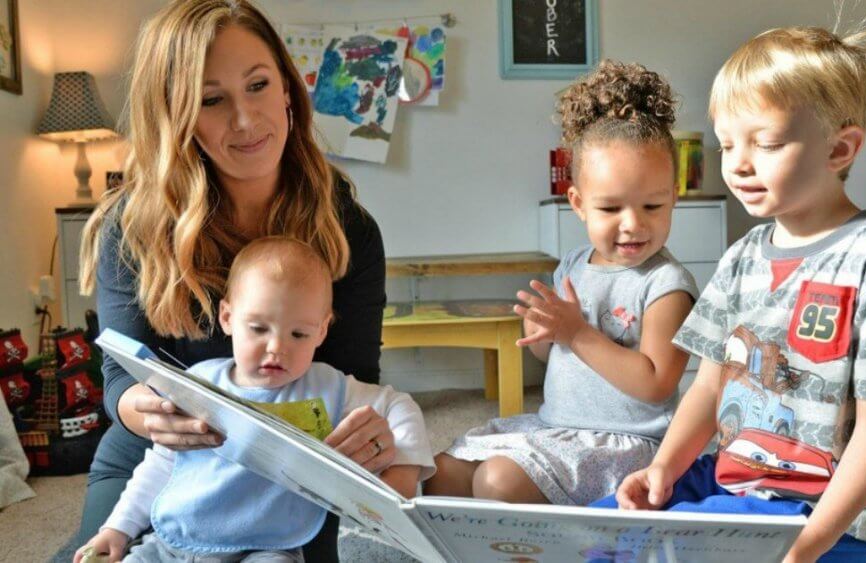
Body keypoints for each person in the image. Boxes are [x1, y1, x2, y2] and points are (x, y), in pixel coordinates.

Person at [594, 25, 866, 563]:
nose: (737, 163)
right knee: (596, 529)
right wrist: (664, 467)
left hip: (820, 509)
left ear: (840, 148)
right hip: (737, 476)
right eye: (727, 143)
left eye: (768, 143)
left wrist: (809, 545)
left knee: (660, 551)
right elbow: (708, 390)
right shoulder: (741, 258)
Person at [68, 1, 390, 560]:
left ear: (288, 89)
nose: (246, 120)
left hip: (294, 465)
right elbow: (120, 376)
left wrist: (370, 433)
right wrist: (151, 413)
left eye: (259, 85)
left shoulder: (349, 230)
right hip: (159, 457)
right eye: (212, 100)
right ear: (177, 116)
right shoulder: (133, 225)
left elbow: (355, 377)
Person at [425, 60, 698, 506]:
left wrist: (577, 332)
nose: (633, 224)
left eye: (653, 205)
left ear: (674, 195)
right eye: (611, 209)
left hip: (626, 445)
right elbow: (550, 354)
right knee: (440, 474)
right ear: (578, 203)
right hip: (556, 428)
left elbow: (656, 383)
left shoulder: (666, 283)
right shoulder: (572, 265)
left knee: (497, 483)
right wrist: (542, 332)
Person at [73, 238, 434, 563]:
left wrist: (402, 471)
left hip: (268, 547)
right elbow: (160, 466)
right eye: (259, 328)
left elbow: (399, 405)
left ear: (321, 330)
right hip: (177, 543)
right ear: (228, 317)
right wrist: (117, 529)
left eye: (298, 333)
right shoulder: (199, 383)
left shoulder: (330, 388)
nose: (277, 347)